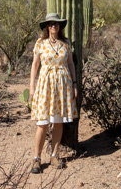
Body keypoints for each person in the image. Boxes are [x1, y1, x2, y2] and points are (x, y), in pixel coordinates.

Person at [29, 12, 78, 173]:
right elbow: (35, 66)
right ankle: (36, 159)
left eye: (56, 23)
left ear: (60, 26)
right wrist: (31, 86)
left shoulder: (66, 43)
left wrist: (75, 84)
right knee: (42, 124)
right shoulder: (40, 43)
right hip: (45, 85)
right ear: (46, 27)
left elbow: (70, 64)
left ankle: (54, 155)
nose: (53, 26)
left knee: (58, 122)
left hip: (63, 86)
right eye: (50, 23)